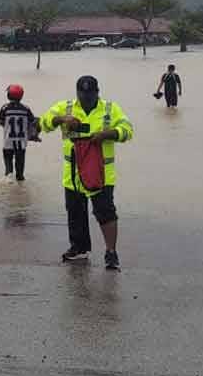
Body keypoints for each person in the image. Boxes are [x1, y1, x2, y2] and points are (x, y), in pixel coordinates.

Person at [39, 75, 134, 270]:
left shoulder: (110, 109)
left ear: (97, 92)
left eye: (90, 95)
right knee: (75, 213)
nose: (86, 99)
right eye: (83, 96)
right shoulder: (65, 107)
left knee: (105, 212)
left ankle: (111, 252)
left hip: (101, 175)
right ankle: (79, 248)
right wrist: (61, 119)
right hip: (72, 175)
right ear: (77, 94)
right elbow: (44, 123)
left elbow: (128, 130)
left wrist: (108, 134)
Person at [0, 84, 36, 181]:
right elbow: (33, 122)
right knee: (20, 171)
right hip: (21, 143)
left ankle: (9, 175)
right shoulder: (26, 109)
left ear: (9, 95)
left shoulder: (4, 108)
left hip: (8, 142)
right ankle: (20, 179)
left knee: (8, 167)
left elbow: (0, 122)